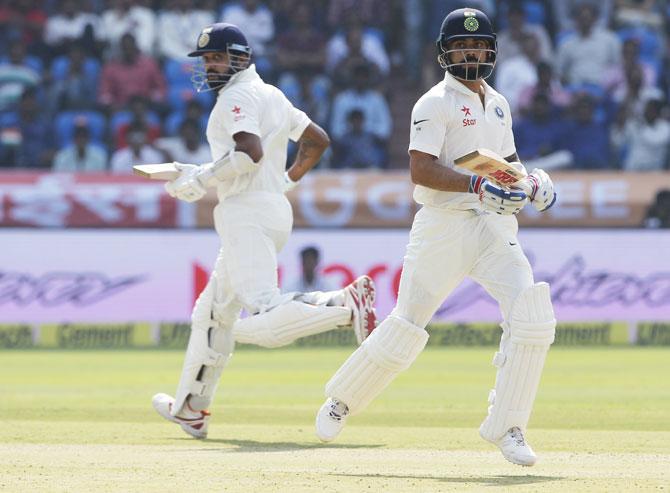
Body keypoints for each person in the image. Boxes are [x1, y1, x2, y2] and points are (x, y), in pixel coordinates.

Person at [314, 8, 558, 467]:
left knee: (533, 317)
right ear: (446, 52)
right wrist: (475, 186)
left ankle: (507, 426)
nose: (472, 52)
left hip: (492, 226)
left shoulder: (499, 103)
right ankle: (342, 399)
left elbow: (506, 162)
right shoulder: (433, 102)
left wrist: (532, 185)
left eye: (479, 46)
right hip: (443, 225)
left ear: (491, 51)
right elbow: (421, 168)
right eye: (463, 46)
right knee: (407, 326)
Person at [152, 23, 377, 439]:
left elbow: (249, 152)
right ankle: (190, 408)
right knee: (213, 312)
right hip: (269, 208)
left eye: (217, 57)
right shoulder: (271, 93)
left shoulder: (237, 96)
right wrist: (287, 181)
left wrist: (200, 177)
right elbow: (317, 140)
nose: (210, 65)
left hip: (246, 212)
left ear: (240, 58)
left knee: (263, 313)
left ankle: (345, 304)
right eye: (206, 59)